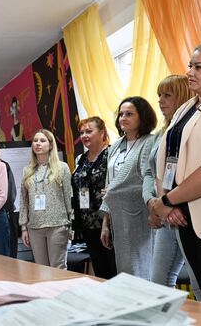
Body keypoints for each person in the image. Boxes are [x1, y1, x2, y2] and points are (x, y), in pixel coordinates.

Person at [153, 42, 201, 307]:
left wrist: (166, 201)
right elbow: (167, 159)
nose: (190, 72)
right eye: (190, 65)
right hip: (184, 214)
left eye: (199, 66)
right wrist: (166, 200)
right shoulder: (186, 107)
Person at [142, 75, 201, 299]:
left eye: (167, 95)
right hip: (166, 212)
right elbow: (150, 173)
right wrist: (154, 204)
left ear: (183, 97)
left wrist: (168, 205)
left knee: (200, 284)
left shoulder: (192, 129)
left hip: (185, 213)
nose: (160, 100)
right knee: (158, 282)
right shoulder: (161, 134)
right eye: (159, 95)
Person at [100, 96, 157, 279]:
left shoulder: (151, 141)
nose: (123, 118)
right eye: (121, 114)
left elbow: (147, 180)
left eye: (129, 114)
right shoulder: (115, 147)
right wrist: (105, 224)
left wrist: (114, 192)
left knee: (141, 269)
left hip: (140, 215)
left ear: (143, 117)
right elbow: (110, 186)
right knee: (125, 272)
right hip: (118, 217)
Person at [19, 129, 72, 269]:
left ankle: (62, 292)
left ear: (51, 145)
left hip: (57, 225)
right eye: (35, 141)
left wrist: (71, 225)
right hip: (34, 227)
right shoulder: (27, 170)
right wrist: (24, 227)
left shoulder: (62, 168)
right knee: (41, 269)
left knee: (57, 267)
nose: (37, 144)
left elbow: (69, 197)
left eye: (42, 141)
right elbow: (23, 201)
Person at [71, 117, 117, 279]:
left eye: (89, 131)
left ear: (102, 132)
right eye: (82, 132)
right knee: (100, 272)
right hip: (87, 224)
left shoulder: (112, 155)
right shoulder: (81, 159)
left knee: (115, 271)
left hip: (108, 221)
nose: (84, 135)